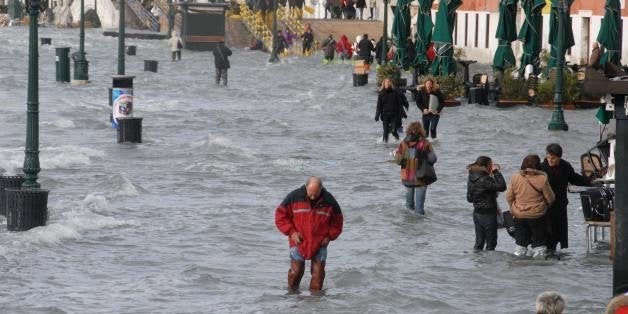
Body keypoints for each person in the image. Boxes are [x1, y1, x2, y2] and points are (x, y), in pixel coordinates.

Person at [275, 176, 344, 292]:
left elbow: (338, 222)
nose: (312, 197)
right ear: (306, 187)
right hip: (298, 241)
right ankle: (292, 299)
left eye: (315, 195)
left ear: (321, 190)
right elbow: (280, 216)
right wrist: (292, 232)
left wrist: (329, 236)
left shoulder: (329, 201)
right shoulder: (293, 197)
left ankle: (315, 305)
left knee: (318, 275)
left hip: (320, 242)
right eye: (310, 194)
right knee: (296, 272)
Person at [540, 143, 590, 255]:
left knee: (558, 232)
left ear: (559, 157)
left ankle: (553, 253)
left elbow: (575, 179)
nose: (550, 160)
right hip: (546, 205)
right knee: (547, 232)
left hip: (561, 204)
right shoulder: (541, 167)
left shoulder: (565, 166)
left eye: (553, 158)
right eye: (548, 157)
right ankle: (547, 253)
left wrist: (591, 182)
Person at [506, 155, 555, 258]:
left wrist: (513, 208)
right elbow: (551, 198)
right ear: (537, 165)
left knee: (520, 244)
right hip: (537, 215)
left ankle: (518, 265)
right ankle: (537, 269)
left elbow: (509, 196)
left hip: (519, 215)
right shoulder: (542, 178)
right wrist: (545, 205)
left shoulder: (515, 177)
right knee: (539, 244)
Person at [394, 121, 436, 215]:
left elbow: (398, 161)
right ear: (421, 131)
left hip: (407, 177)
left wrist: (396, 154)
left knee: (408, 208)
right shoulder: (425, 143)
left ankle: (409, 228)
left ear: (408, 130)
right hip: (421, 177)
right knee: (419, 209)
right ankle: (420, 229)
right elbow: (433, 159)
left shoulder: (403, 144)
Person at [466, 156, 507, 251]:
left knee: (479, 242)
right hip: (488, 213)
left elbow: (469, 198)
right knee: (491, 243)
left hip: (477, 212)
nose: (491, 167)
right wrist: (496, 172)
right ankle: (489, 265)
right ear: (485, 166)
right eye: (490, 164)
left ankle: (477, 263)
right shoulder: (484, 178)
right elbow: (502, 187)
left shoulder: (472, 176)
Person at [375, 77, 407, 143]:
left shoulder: (395, 92)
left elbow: (399, 104)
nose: (387, 83)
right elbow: (379, 106)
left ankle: (399, 142)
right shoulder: (381, 93)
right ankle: (384, 145)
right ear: (384, 83)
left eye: (389, 81)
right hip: (385, 115)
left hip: (394, 115)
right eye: (386, 82)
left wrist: (403, 113)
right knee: (385, 132)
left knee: (393, 131)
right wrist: (377, 115)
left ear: (391, 83)